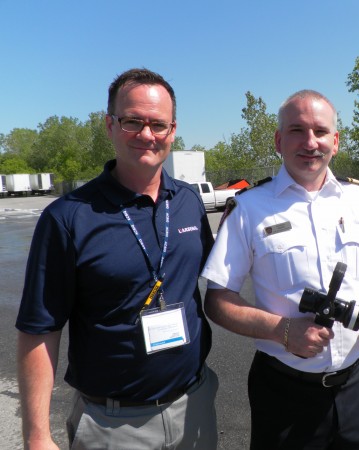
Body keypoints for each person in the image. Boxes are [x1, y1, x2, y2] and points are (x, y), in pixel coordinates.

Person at [16, 68, 218, 450]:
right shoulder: (68, 217)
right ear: (110, 125)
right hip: (113, 423)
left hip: (194, 406)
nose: (147, 134)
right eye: (132, 122)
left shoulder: (188, 201)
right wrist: (37, 435)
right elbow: (39, 329)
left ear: (173, 130)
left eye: (158, 124)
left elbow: (222, 276)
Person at [201, 90, 359, 449]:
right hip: (284, 392)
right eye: (297, 130)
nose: (310, 142)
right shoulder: (249, 208)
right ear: (279, 141)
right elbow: (218, 300)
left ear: (335, 142)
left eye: (320, 131)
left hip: (357, 383)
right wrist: (282, 330)